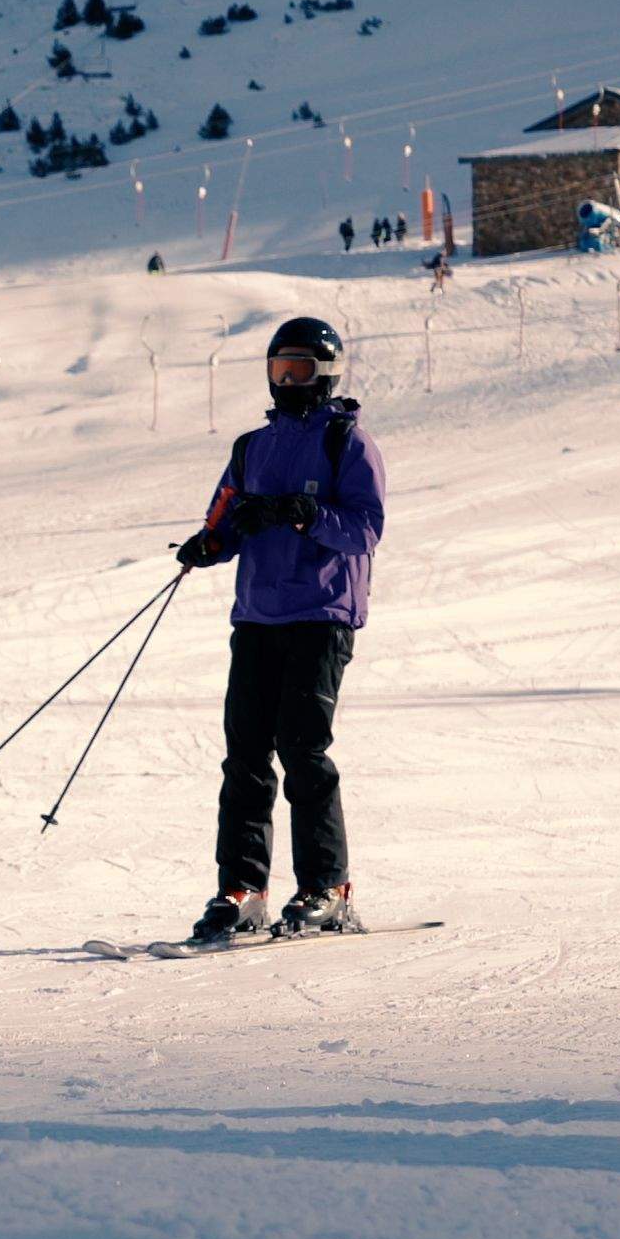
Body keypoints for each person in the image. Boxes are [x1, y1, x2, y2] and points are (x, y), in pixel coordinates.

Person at [170, 315, 389, 943]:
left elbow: (365, 528)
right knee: (245, 756)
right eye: (279, 369)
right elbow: (225, 515)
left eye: (299, 370)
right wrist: (210, 544)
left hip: (321, 614)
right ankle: (243, 891)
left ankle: (327, 887)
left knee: (302, 749)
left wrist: (306, 513)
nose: (288, 381)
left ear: (326, 374)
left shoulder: (348, 443)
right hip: (257, 616)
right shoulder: (251, 447)